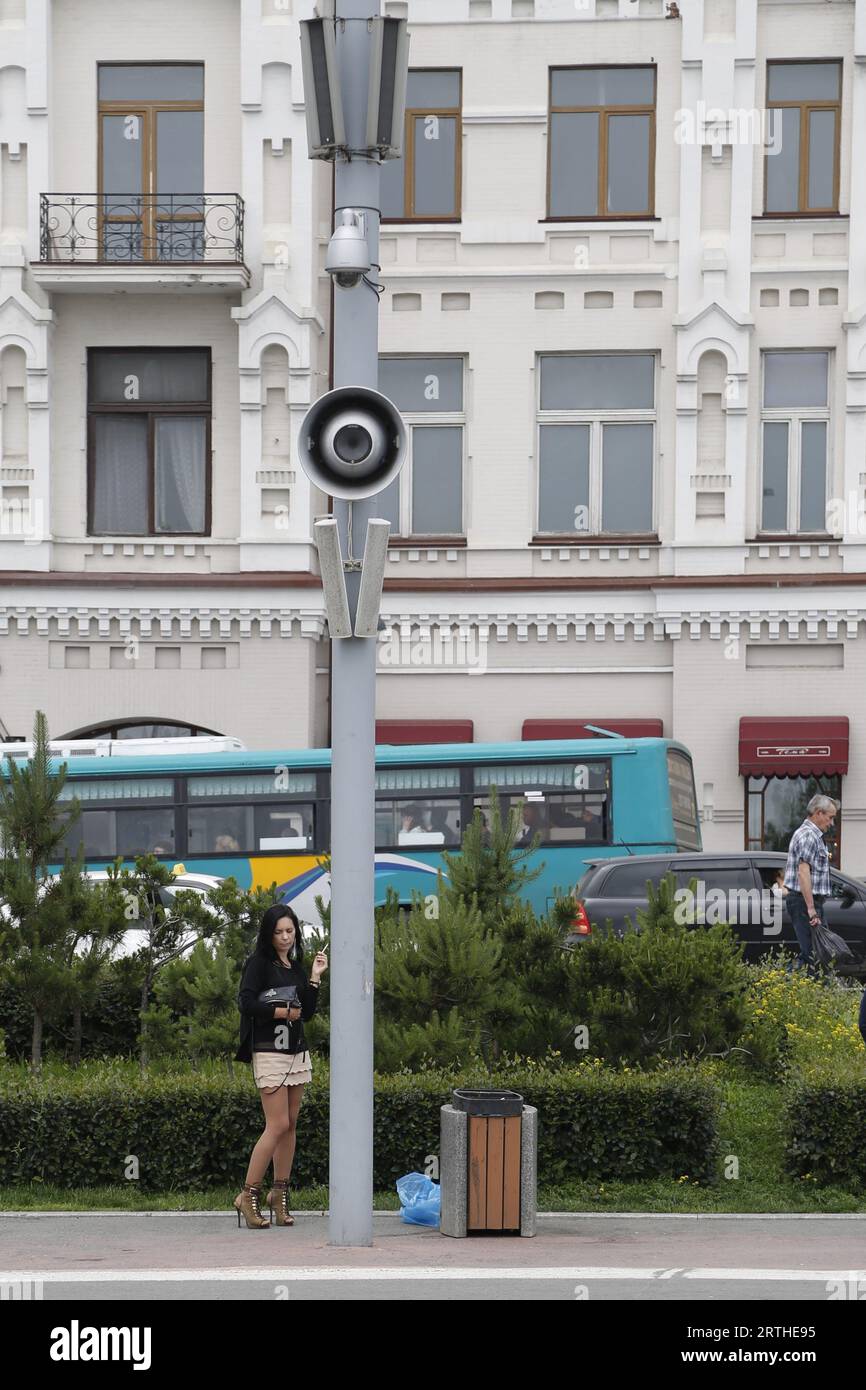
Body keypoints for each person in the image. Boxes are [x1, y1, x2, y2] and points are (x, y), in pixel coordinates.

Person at [233, 904, 328, 1228]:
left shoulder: (296, 967)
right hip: (269, 1051)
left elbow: (308, 1012)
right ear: (268, 934)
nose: (286, 937)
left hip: (296, 1052)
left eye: (290, 931)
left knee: (290, 1125)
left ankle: (279, 1194)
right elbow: (245, 1002)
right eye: (279, 932)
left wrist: (314, 978)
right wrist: (279, 1014)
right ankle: (248, 1195)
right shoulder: (259, 964)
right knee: (276, 1125)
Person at [782, 794, 839, 974]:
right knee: (815, 956)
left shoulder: (813, 835)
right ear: (818, 813)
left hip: (807, 902)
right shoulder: (808, 835)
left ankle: (786, 986)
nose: (831, 823)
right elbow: (803, 872)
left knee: (820, 954)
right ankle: (781, 986)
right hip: (804, 902)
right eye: (830, 818)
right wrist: (811, 908)